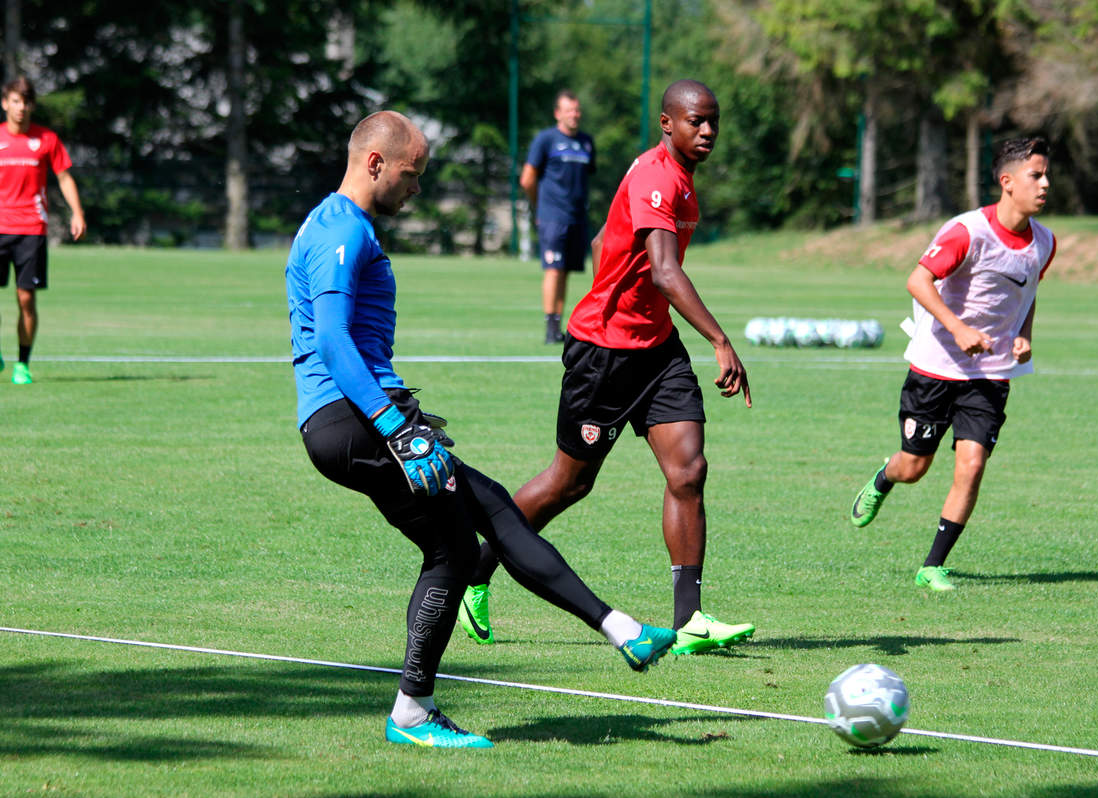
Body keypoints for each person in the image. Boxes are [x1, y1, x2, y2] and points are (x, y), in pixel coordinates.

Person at [285, 110, 676, 750]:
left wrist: (400, 415)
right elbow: (330, 342)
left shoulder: (344, 224)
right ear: (375, 163)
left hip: (363, 415)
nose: (417, 189)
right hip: (353, 420)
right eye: (412, 175)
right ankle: (413, 710)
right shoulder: (338, 230)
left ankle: (622, 630)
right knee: (452, 552)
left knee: (489, 509)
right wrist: (395, 428)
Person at [459, 80, 755, 656]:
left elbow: (601, 240)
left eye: (714, 121)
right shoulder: (654, 177)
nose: (709, 131)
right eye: (696, 121)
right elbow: (666, 273)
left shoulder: (683, 182)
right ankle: (476, 568)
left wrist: (625, 294)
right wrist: (719, 340)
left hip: (657, 352)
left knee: (688, 471)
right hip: (604, 355)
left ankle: (690, 619)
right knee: (570, 483)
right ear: (667, 123)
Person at [849, 137, 1056, 592]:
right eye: (1035, 176)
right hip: (935, 367)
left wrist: (1024, 337)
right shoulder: (967, 231)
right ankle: (884, 478)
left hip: (990, 373)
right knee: (914, 468)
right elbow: (917, 280)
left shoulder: (1044, 241)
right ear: (1007, 183)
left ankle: (933, 566)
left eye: (1046, 175)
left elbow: (1028, 294)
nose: (1046, 184)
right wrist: (959, 329)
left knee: (973, 464)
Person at [0, 76, 86, 385]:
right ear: (6, 103)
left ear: (32, 106)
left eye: (26, 102)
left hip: (31, 230)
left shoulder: (46, 139)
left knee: (26, 300)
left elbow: (65, 177)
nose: (21, 108)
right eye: (15, 101)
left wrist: (77, 212)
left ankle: (23, 364)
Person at [521, 90, 595, 344]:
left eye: (577, 110)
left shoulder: (586, 142)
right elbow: (527, 178)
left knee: (565, 271)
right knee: (553, 269)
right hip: (552, 216)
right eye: (569, 110)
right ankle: (550, 328)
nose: (574, 115)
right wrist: (539, 206)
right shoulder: (546, 140)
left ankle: (558, 326)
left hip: (577, 218)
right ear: (557, 113)